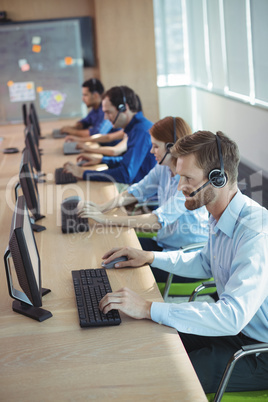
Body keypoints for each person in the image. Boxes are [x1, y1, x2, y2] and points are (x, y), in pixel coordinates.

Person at [98, 130, 268, 394]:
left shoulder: (255, 232)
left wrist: (147, 307)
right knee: (151, 341)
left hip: (258, 351)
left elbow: (233, 315)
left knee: (166, 378)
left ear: (218, 178)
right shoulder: (218, 214)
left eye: (187, 178)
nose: (179, 188)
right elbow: (203, 263)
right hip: (234, 331)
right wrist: (150, 257)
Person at [78, 116, 209, 282]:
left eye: (155, 146)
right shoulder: (164, 167)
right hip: (164, 246)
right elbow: (135, 192)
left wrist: (106, 219)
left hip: (186, 260)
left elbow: (157, 221)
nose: (151, 151)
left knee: (121, 272)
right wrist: (101, 208)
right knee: (111, 251)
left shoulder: (190, 181)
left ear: (171, 147)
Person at [63, 86, 156, 184]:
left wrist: (84, 173)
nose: (106, 118)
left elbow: (126, 174)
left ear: (124, 108)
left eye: (108, 112)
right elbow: (126, 162)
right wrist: (101, 159)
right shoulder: (135, 128)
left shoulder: (141, 131)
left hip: (148, 197)